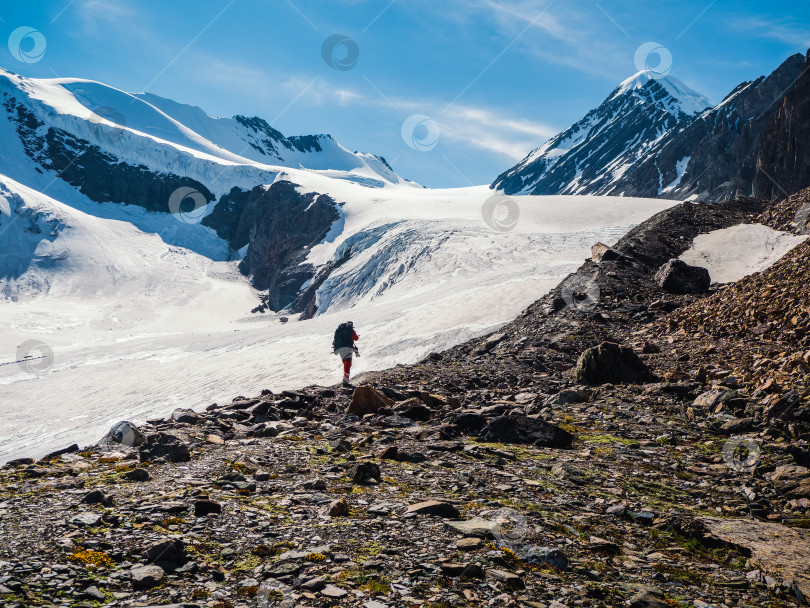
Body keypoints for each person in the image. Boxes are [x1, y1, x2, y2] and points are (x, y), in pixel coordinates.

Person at [332, 321, 359, 388]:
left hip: (340, 349)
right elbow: (356, 338)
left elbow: (335, 338)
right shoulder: (351, 330)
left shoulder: (339, 330)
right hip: (347, 349)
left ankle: (345, 381)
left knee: (345, 363)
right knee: (348, 365)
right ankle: (345, 382)